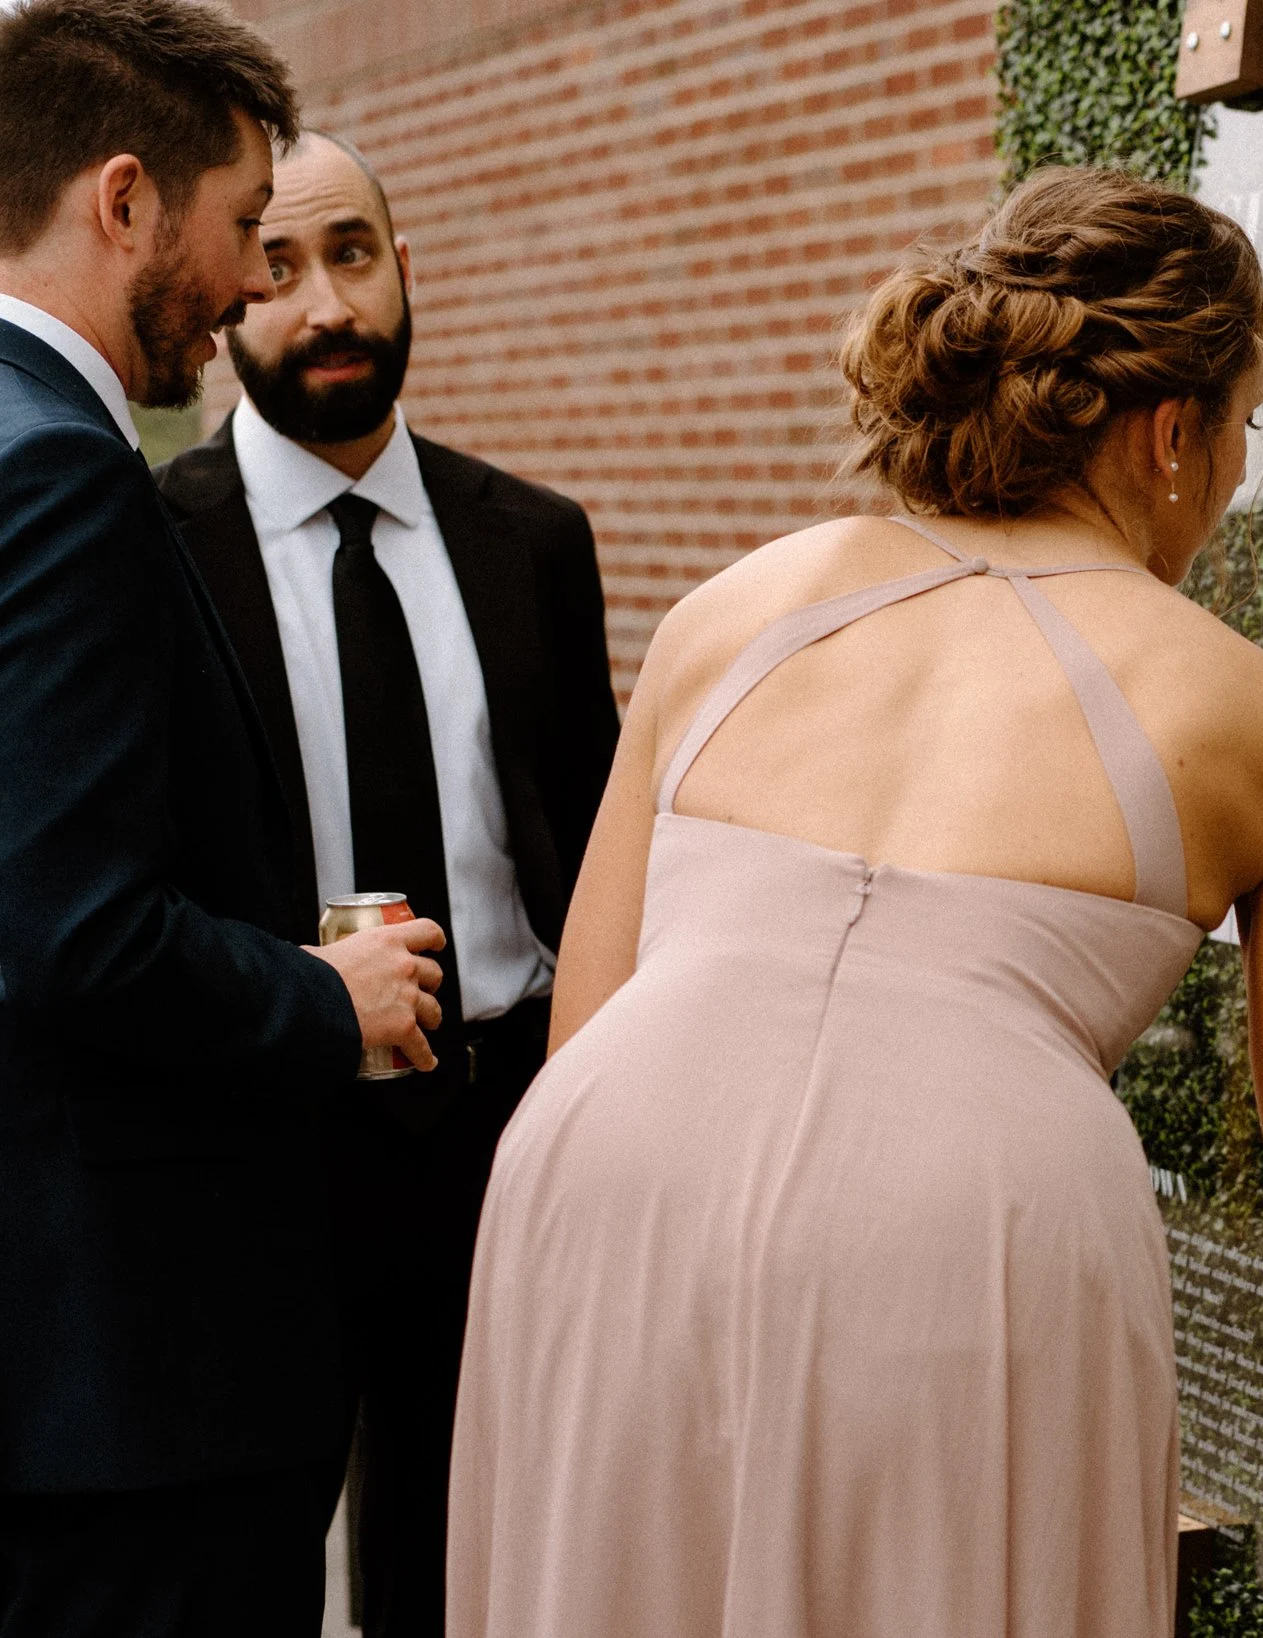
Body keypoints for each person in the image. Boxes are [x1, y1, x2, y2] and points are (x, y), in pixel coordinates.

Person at [445, 166, 1263, 1637]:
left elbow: (589, 1025)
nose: (1232, 481)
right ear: (1173, 434)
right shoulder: (1262, 725)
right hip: (960, 1240)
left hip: (602, 1188)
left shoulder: (725, 613)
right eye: (1240, 435)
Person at [0, 2, 445, 1633]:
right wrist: (322, 996)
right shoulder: (58, 470)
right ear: (123, 200)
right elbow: (73, 930)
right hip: (127, 1396)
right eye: (245, 227)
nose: (262, 284)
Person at [156, 130, 619, 1638]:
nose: (324, 306)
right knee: (250, 1559)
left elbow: (603, 844)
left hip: (502, 1124)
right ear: (226, 298)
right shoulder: (158, 546)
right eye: (276, 268)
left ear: (405, 266)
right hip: (265, 1126)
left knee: (480, 1553)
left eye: (351, 254)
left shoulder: (537, 541)